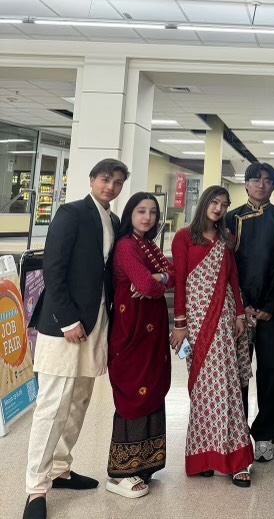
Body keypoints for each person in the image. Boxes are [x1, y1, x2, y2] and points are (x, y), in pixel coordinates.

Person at [24, 158, 129, 519]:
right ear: (91, 179)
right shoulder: (71, 213)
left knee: (80, 400)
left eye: (117, 182)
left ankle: (60, 468)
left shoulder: (113, 221)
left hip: (96, 323)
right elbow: (53, 267)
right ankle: (36, 489)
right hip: (65, 325)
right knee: (53, 406)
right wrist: (67, 319)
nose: (110, 187)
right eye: (105, 179)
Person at [170, 186, 253, 486]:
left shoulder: (226, 239)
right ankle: (204, 453)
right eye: (215, 202)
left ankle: (237, 459)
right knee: (202, 387)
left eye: (224, 204)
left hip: (225, 315)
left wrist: (240, 313)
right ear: (204, 203)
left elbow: (233, 278)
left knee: (227, 385)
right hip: (195, 318)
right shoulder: (183, 237)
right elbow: (179, 281)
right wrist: (179, 324)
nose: (219, 208)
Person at [226, 162, 274, 463]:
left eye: (268, 181)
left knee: (272, 371)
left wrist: (269, 305)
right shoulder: (230, 218)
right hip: (237, 309)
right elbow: (226, 266)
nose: (262, 185)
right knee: (239, 371)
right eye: (256, 179)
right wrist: (241, 306)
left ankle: (265, 432)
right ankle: (237, 433)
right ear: (246, 184)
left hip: (271, 310)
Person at [106, 192, 174, 498]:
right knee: (133, 393)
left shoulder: (148, 245)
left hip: (152, 332)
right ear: (130, 214)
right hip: (132, 332)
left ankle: (145, 462)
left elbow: (171, 277)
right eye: (141, 211)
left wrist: (157, 276)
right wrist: (155, 281)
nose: (148, 217)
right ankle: (121, 473)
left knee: (153, 386)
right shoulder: (126, 247)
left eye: (153, 212)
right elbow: (147, 285)